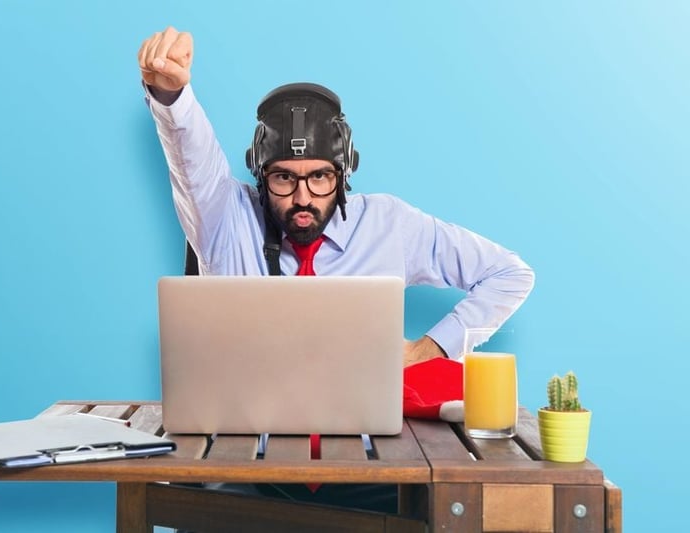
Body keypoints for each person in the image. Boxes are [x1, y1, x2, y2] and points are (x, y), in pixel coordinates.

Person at [138, 26, 535, 517]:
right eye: (284, 177)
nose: (302, 198)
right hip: (246, 464)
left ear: (344, 173)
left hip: (371, 465)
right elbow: (189, 156)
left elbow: (509, 273)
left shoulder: (391, 224)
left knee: (462, 510)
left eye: (319, 177)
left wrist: (429, 349)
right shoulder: (223, 216)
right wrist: (170, 93)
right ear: (260, 176)